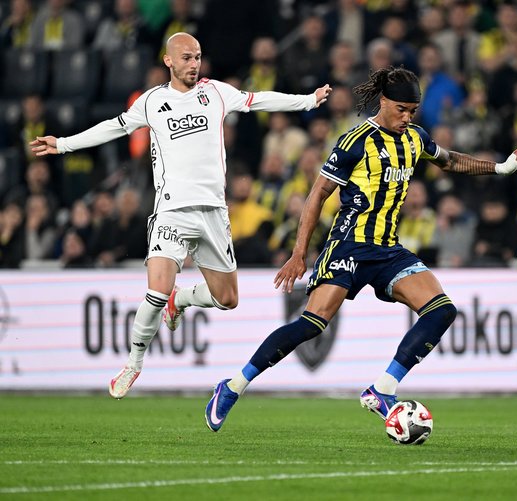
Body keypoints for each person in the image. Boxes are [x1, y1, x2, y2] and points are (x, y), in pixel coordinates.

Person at [204, 66, 517, 432]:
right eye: (401, 109)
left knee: (442, 310)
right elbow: (317, 195)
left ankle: (383, 388)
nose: (407, 118)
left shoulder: (416, 138)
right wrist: (299, 253)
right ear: (384, 101)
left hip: (388, 251)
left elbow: (451, 160)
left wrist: (503, 167)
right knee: (311, 324)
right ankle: (232, 387)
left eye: (413, 111)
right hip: (349, 246)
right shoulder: (355, 141)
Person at [30, 32, 332, 399]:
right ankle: (133, 363)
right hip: (171, 211)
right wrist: (63, 144)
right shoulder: (152, 101)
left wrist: (307, 100)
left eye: (198, 57)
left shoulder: (215, 92)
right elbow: (113, 126)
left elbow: (258, 100)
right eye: (186, 57)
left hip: (213, 212)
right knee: (156, 290)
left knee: (227, 299)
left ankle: (183, 299)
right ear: (168, 61)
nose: (194, 64)